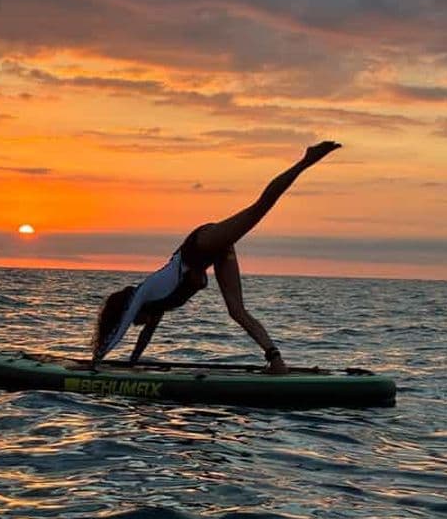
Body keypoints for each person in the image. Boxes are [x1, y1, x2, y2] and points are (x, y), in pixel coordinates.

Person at [91, 141, 342, 374]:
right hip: (213, 254)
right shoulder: (158, 305)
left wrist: (97, 362)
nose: (138, 325)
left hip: (200, 244)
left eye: (135, 321)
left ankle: (305, 161)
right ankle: (276, 360)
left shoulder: (143, 293)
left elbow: (121, 326)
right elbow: (146, 336)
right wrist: (132, 364)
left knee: (259, 209)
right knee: (237, 311)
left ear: (128, 310)